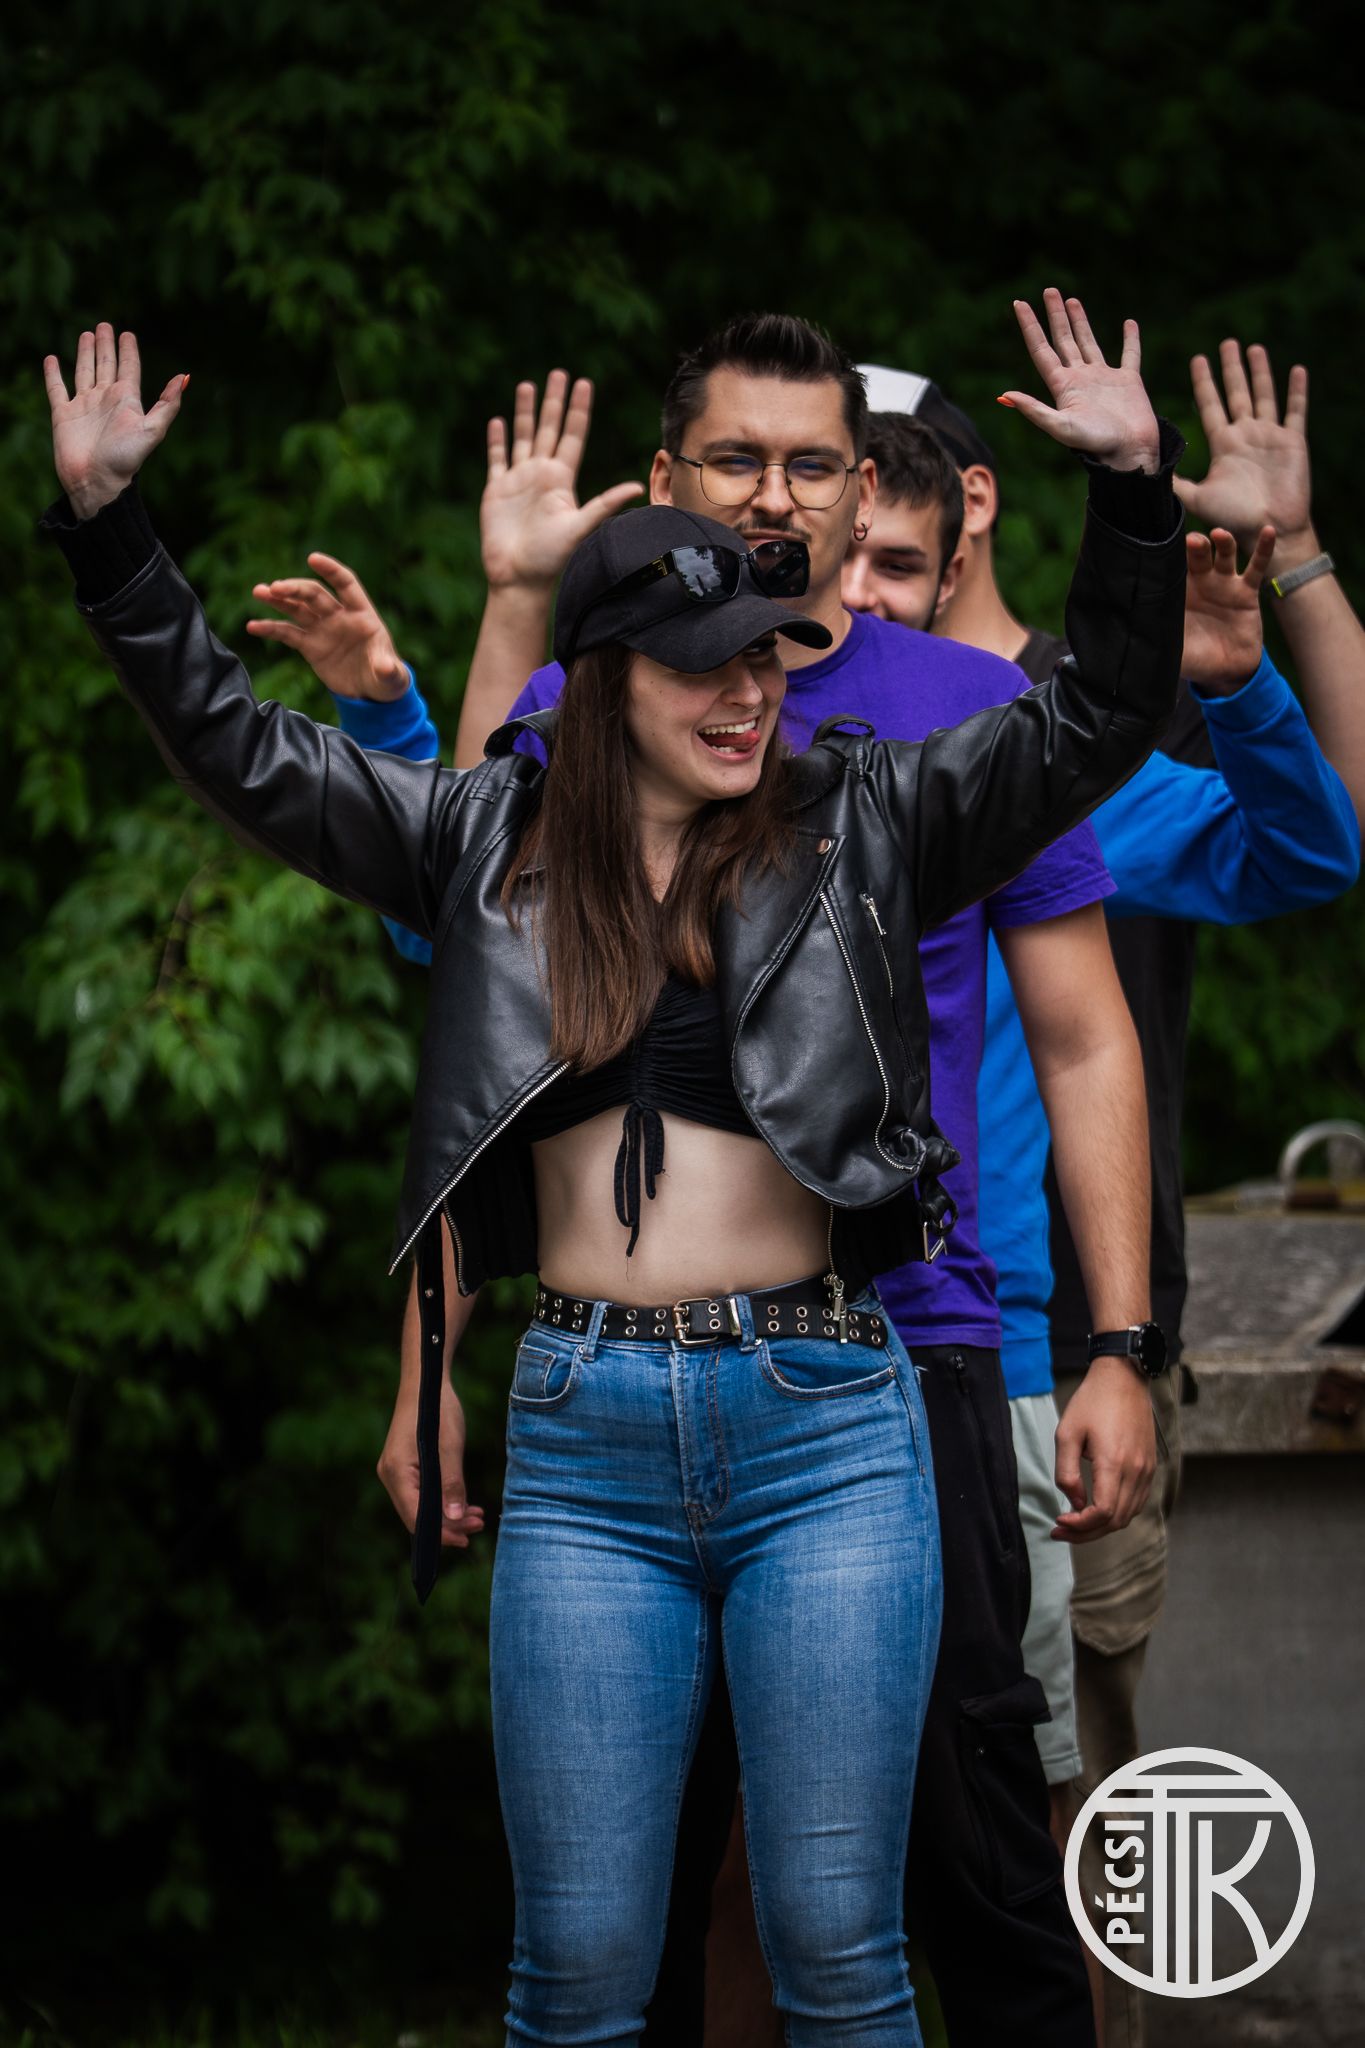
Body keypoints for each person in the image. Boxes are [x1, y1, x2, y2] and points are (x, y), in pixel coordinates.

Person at [43, 296, 1183, 2048]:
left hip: (827, 1417)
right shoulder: (480, 840)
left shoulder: (867, 818)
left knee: (839, 1951)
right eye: (707, 661)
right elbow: (237, 747)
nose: (752, 690)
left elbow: (1095, 712)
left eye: (768, 658)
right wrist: (111, 528)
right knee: (575, 1974)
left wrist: (1128, 490)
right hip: (584, 1438)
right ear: (604, 674)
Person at [866, 349, 1362, 2048]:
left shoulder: (1056, 743)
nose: (850, 584)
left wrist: (1264, 629)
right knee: (791, 1842)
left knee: (1063, 1830)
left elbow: (1311, 848)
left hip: (1042, 1364)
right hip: (804, 1361)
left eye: (884, 541)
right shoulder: (747, 733)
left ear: (962, 510)